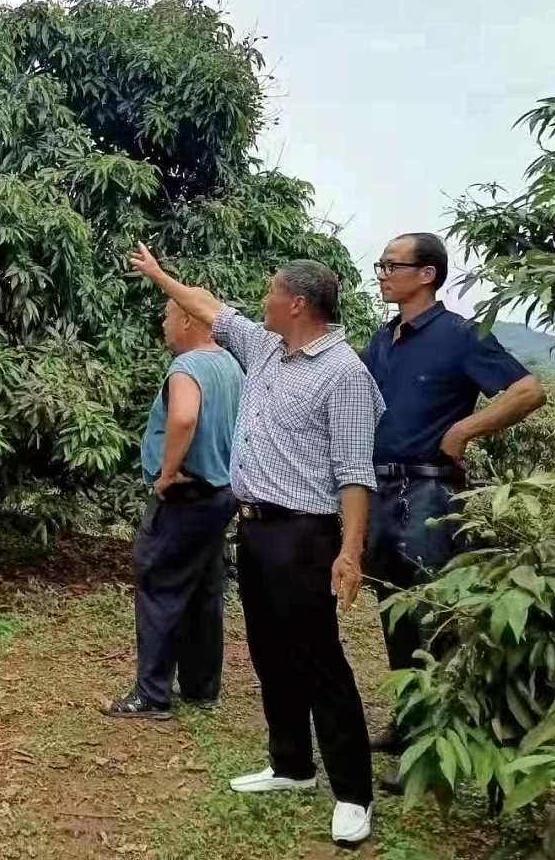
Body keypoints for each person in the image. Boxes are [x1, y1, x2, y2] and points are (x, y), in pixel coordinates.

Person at [130, 244, 383, 848]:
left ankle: (353, 795)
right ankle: (292, 764)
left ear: (297, 303)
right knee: (270, 653)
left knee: (319, 659)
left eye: (272, 291)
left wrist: (350, 552)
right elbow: (209, 307)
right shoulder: (266, 349)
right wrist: (162, 274)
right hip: (257, 526)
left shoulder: (343, 373)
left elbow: (354, 474)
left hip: (306, 533)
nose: (261, 299)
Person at [362, 233, 545, 780]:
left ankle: (434, 741)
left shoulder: (462, 336)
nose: (383, 274)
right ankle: (407, 721)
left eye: (393, 265)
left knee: (431, 618)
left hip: (430, 491)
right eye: (382, 265)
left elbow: (527, 390)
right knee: (393, 608)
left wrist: (464, 429)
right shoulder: (383, 338)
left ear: (427, 274)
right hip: (379, 490)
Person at [103, 299, 243, 721]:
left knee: (160, 587)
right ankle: (202, 688)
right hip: (219, 495)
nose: (163, 324)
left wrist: (166, 473)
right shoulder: (232, 367)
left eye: (166, 315)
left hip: (184, 496)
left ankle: (152, 694)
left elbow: (183, 418)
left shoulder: (188, 367)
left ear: (187, 319)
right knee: (203, 589)